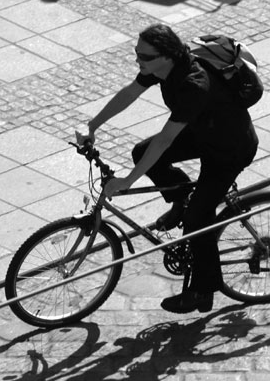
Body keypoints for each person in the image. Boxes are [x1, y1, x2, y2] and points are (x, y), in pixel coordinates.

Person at [76, 24, 258, 313]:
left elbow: (164, 141)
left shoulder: (194, 84)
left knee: (199, 216)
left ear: (167, 56)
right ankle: (180, 201)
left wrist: (127, 181)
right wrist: (92, 126)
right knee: (140, 152)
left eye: (144, 57)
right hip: (204, 132)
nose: (138, 61)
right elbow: (130, 93)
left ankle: (202, 290)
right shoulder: (160, 69)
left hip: (229, 148)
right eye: (136, 54)